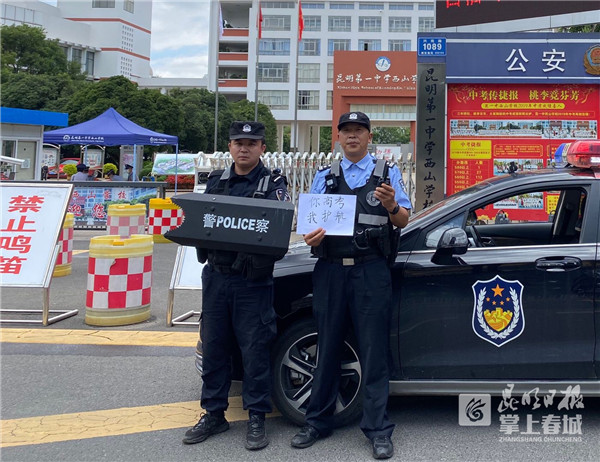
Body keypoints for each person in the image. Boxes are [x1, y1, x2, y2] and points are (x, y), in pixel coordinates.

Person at [290, 112, 411, 460]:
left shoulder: (387, 174)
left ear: (369, 137)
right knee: (327, 347)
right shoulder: (324, 176)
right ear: (339, 138)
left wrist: (390, 204)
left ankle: (378, 429)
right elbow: (308, 227)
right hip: (330, 271)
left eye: (359, 131)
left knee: (374, 351)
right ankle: (317, 421)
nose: (352, 136)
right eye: (347, 131)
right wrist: (310, 236)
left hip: (370, 271)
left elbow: (404, 219)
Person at [182, 121, 291, 451]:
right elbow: (201, 223)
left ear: (262, 148)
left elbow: (279, 231)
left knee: (255, 350)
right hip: (216, 276)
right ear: (230, 146)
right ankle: (214, 413)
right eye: (238, 142)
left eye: (251, 143)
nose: (244, 148)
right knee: (215, 346)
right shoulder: (216, 181)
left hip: (251, 282)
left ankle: (257, 415)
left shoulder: (273, 183)